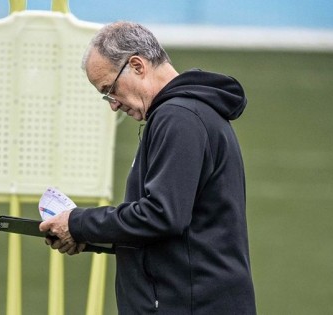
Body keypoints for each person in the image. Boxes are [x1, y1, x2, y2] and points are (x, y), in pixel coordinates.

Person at [40, 21, 256, 314]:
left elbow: (161, 216)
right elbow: (174, 232)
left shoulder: (178, 118)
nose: (113, 105)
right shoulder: (188, 113)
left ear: (138, 66)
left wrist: (78, 223)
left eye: (110, 89)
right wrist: (87, 234)